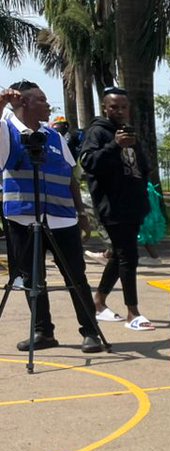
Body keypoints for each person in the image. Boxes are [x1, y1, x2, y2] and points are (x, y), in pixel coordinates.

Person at [0, 81, 101, 353]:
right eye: (42, 100)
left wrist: (81, 212)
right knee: (32, 279)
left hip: (62, 219)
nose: (48, 105)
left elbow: (70, 176)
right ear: (24, 104)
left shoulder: (55, 137)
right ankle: (42, 331)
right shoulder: (7, 131)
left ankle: (91, 331)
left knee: (76, 277)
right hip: (23, 220)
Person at [79, 87, 154, 331]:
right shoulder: (98, 132)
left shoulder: (129, 133)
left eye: (123, 107)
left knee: (121, 255)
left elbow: (143, 168)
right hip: (112, 205)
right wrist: (114, 145)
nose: (119, 111)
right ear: (105, 108)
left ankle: (98, 302)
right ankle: (133, 312)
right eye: (114, 107)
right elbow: (88, 162)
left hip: (133, 205)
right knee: (128, 257)